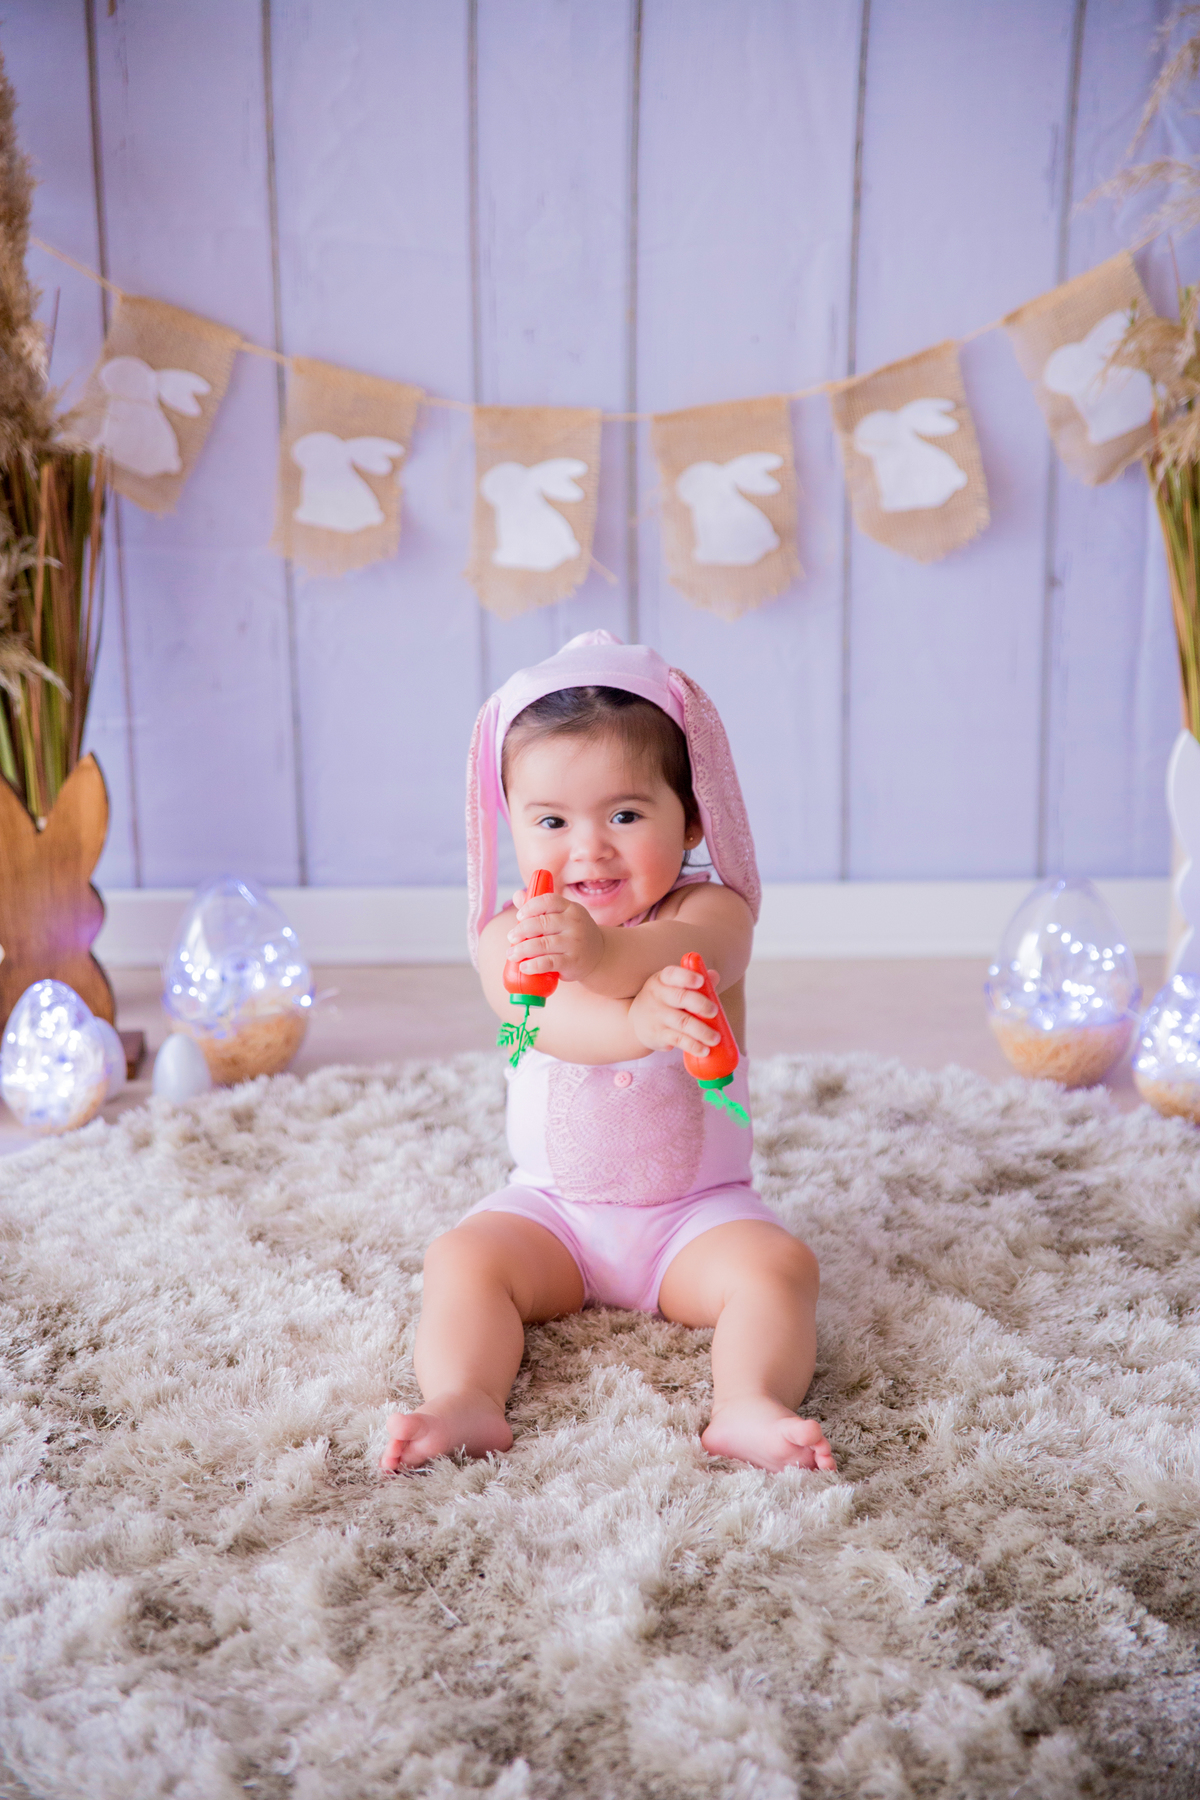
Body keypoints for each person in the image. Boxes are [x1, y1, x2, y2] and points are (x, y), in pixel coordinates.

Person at [381, 631, 834, 1475]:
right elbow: (543, 1023)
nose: (588, 848)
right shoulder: (511, 936)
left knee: (778, 1268)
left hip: (696, 1216)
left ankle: (747, 1403)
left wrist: (614, 962)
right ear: (507, 821)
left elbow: (690, 961)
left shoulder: (713, 914)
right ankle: (465, 1399)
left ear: (692, 814)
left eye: (625, 814)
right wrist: (634, 1020)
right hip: (555, 1211)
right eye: (551, 820)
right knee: (463, 1258)